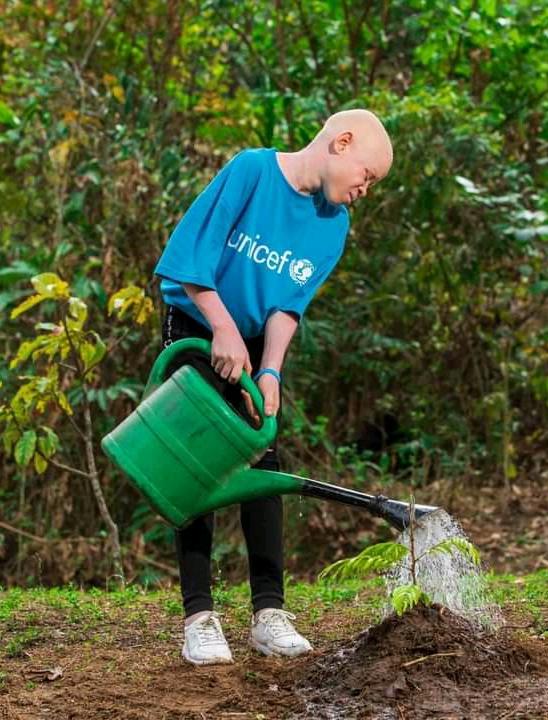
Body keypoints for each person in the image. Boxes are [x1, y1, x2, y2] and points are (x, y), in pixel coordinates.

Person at [152, 109, 393, 665]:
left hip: (254, 339)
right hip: (197, 322)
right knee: (197, 461)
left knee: (264, 459)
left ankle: (269, 613)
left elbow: (287, 305)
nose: (364, 189)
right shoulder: (252, 172)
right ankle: (200, 618)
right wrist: (222, 328)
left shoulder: (333, 225)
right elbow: (189, 261)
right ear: (342, 142)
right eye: (367, 175)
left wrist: (271, 369)